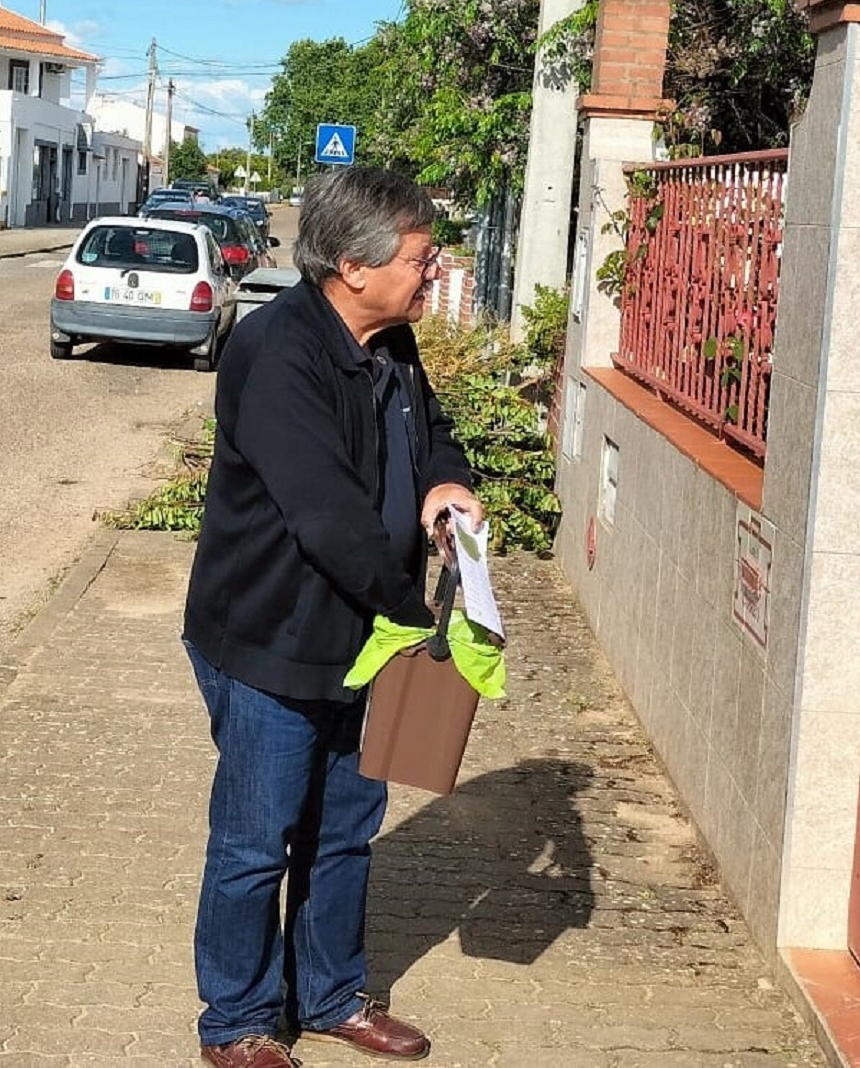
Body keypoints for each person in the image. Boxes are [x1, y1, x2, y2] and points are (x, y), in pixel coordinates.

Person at [182, 167, 485, 1067]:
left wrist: (444, 481)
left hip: (364, 636)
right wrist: (421, 625)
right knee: (256, 843)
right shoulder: (276, 353)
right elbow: (327, 519)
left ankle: (329, 996)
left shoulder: (390, 339)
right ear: (354, 266)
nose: (434, 272)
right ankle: (237, 1019)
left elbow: (430, 430)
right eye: (421, 259)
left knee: (346, 829)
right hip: (270, 641)